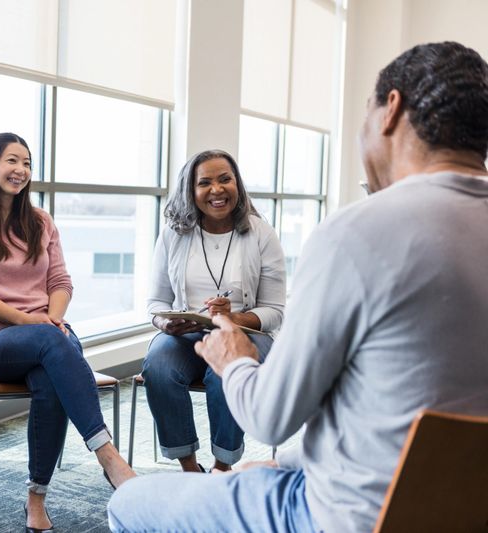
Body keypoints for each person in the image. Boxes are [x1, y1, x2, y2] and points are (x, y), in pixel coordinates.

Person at [108, 41, 488, 532]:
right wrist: (288, 461)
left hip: (343, 515)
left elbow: (269, 416)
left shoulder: (357, 233)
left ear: (390, 110)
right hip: (463, 508)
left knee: (130, 502)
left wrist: (235, 358)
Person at [0, 132, 135, 532]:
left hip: (49, 337)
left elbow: (61, 282)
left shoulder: (40, 221)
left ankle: (36, 500)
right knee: (55, 342)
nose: (21, 170)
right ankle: (107, 456)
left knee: (51, 376)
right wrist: (32, 321)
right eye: (12, 160)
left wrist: (53, 318)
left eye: (27, 163)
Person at [144, 149, 285, 473]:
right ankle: (189, 466)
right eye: (204, 182)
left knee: (225, 372)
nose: (217, 190)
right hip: (186, 333)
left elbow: (275, 310)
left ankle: (223, 465)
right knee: (159, 366)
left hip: (247, 332)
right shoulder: (172, 234)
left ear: (238, 184)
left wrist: (233, 318)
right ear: (191, 191)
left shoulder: (261, 233)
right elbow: (155, 302)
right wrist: (165, 322)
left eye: (225, 179)